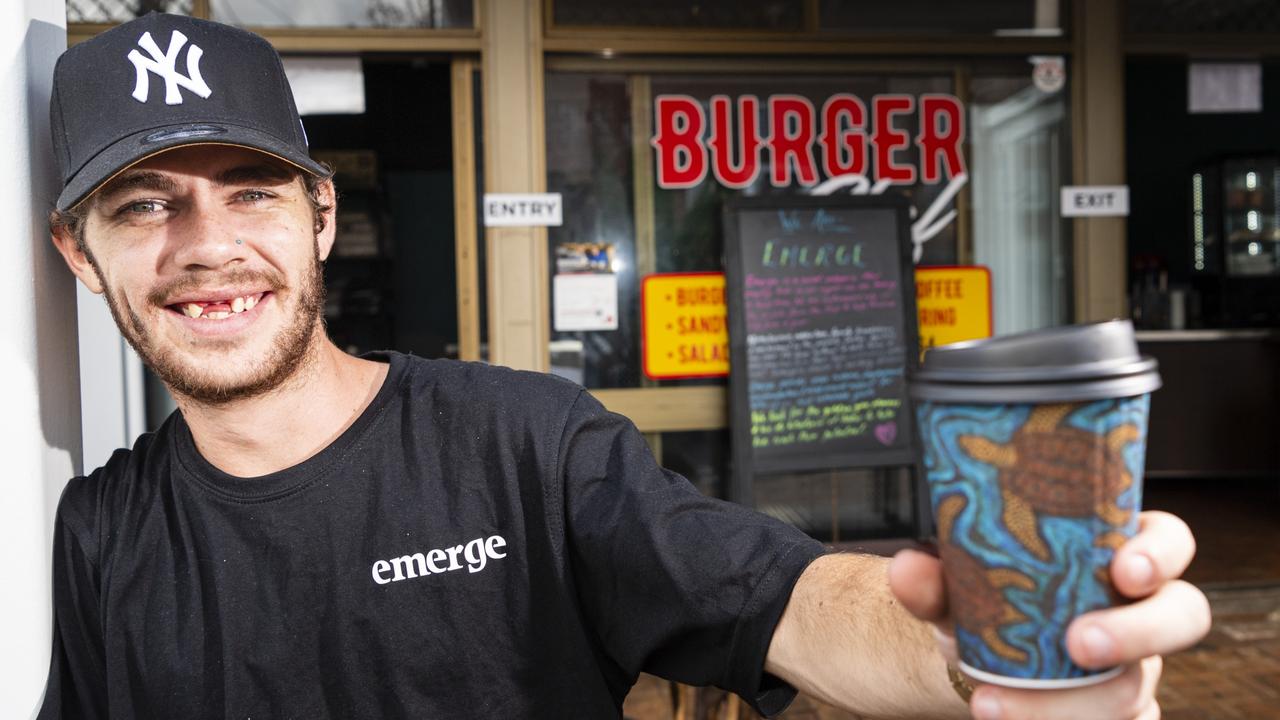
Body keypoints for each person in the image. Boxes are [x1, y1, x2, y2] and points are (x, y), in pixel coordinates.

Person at [39, 13, 1209, 720]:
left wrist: (978, 655)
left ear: (321, 218)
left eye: (250, 190)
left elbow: (785, 598)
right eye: (144, 205)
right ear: (78, 256)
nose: (207, 247)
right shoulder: (100, 529)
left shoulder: (524, 445)